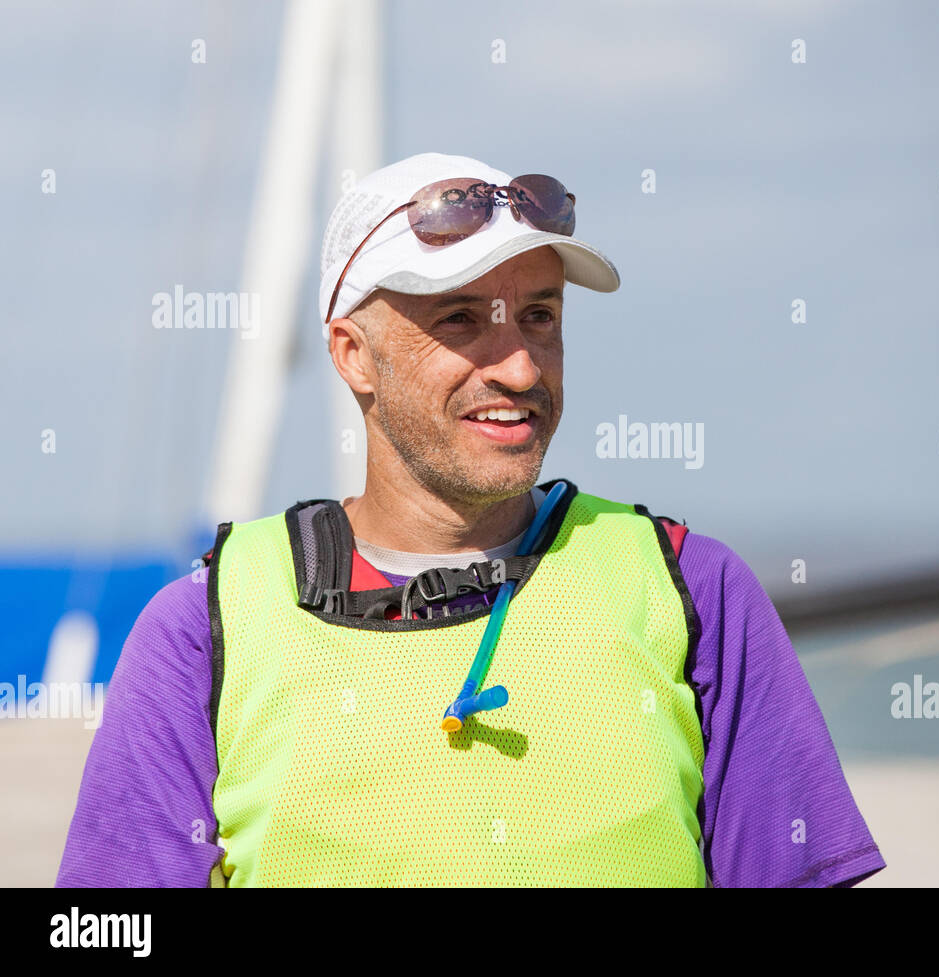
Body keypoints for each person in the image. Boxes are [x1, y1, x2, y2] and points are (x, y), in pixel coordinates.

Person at [56, 152, 885, 887]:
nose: (521, 365)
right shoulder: (206, 625)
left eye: (541, 316)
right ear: (352, 353)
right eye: (460, 320)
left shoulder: (694, 589)